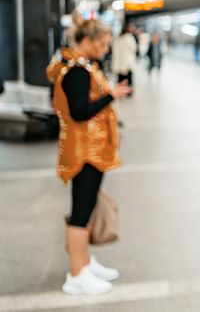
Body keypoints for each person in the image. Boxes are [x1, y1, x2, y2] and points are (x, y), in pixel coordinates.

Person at [46, 19, 131, 295]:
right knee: (80, 213)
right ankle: (76, 273)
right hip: (84, 153)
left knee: (87, 208)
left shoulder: (82, 68)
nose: (105, 49)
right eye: (103, 44)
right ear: (87, 41)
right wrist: (111, 95)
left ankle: (84, 262)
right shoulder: (77, 73)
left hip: (90, 151)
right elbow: (80, 111)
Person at [111, 24, 137, 95]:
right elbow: (134, 48)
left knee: (121, 78)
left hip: (119, 62)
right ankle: (128, 92)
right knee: (128, 78)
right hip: (128, 62)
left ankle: (120, 92)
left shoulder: (118, 38)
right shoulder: (129, 37)